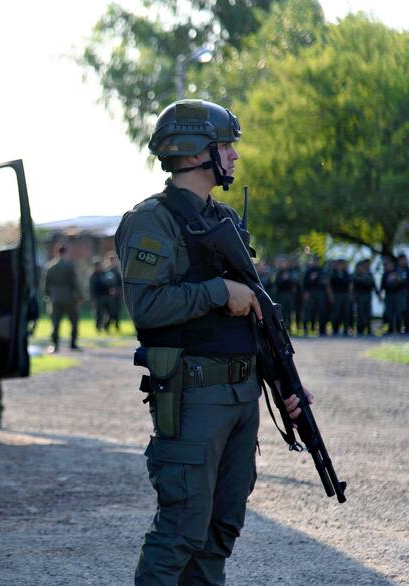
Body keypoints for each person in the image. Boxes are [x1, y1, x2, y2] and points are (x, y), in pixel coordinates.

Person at [115, 99, 310, 584]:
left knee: (220, 530)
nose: (234, 156)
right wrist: (218, 291)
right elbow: (148, 307)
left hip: (241, 395)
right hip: (194, 395)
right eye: (227, 146)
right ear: (198, 152)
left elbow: (255, 316)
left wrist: (285, 384)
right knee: (181, 529)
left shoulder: (222, 220)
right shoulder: (152, 220)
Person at [44, 244, 81, 352]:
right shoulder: (69, 266)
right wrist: (79, 295)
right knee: (74, 320)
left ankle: (55, 345)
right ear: (65, 253)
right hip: (69, 296)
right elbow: (74, 282)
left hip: (55, 296)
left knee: (55, 322)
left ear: (57, 252)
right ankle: (73, 344)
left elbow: (46, 284)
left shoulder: (50, 266)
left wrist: (48, 296)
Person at [302, 257, 328, 336]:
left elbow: (325, 282)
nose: (315, 262)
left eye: (317, 261)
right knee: (308, 311)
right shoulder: (308, 270)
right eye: (314, 261)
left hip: (320, 293)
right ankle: (305, 329)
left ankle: (322, 330)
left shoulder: (322, 270)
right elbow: (305, 283)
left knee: (321, 311)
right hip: (310, 292)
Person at [352, 259, 376, 336]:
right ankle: (360, 330)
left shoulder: (369, 274)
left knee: (368, 313)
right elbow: (355, 284)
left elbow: (373, 284)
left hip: (367, 296)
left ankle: (369, 329)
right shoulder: (355, 275)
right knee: (360, 313)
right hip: (359, 296)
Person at [381, 256, 405, 335]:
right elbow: (383, 285)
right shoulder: (385, 274)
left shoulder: (399, 272)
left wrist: (397, 278)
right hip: (388, 295)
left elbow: (403, 284)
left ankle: (399, 329)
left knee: (399, 312)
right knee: (389, 313)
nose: (387, 266)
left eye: (388, 264)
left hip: (398, 295)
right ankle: (390, 329)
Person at [329, 259, 352, 336]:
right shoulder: (333, 273)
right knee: (336, 312)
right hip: (336, 294)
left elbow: (349, 285)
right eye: (342, 264)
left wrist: (350, 295)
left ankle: (346, 329)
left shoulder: (346, 273)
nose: (343, 266)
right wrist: (331, 295)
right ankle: (335, 329)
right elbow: (329, 285)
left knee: (346, 312)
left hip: (345, 295)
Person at [104, 254, 123, 333]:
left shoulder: (119, 270)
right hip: (109, 296)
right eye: (111, 259)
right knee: (111, 312)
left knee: (117, 311)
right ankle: (107, 326)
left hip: (118, 294)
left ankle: (117, 326)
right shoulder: (107, 271)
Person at [89, 259, 110, 332]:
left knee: (108, 313)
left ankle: (106, 326)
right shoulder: (92, 276)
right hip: (98, 297)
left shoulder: (104, 273)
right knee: (98, 314)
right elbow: (91, 289)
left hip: (106, 296)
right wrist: (93, 300)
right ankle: (98, 327)